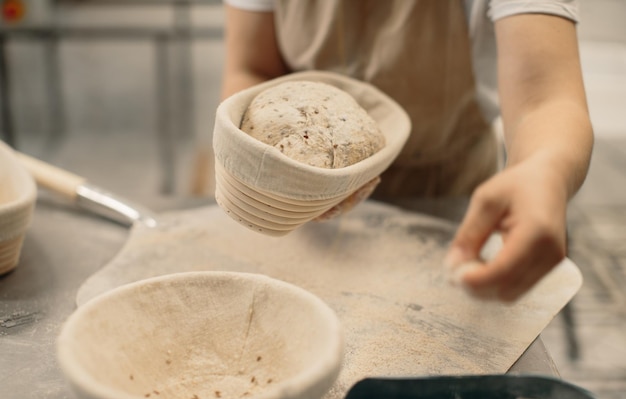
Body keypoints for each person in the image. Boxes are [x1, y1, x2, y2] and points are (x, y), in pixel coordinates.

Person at [202, 0, 593, 302]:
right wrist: (270, 171)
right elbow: (252, 67)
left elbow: (545, 99)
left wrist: (545, 169)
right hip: (297, 208)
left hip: (448, 205)